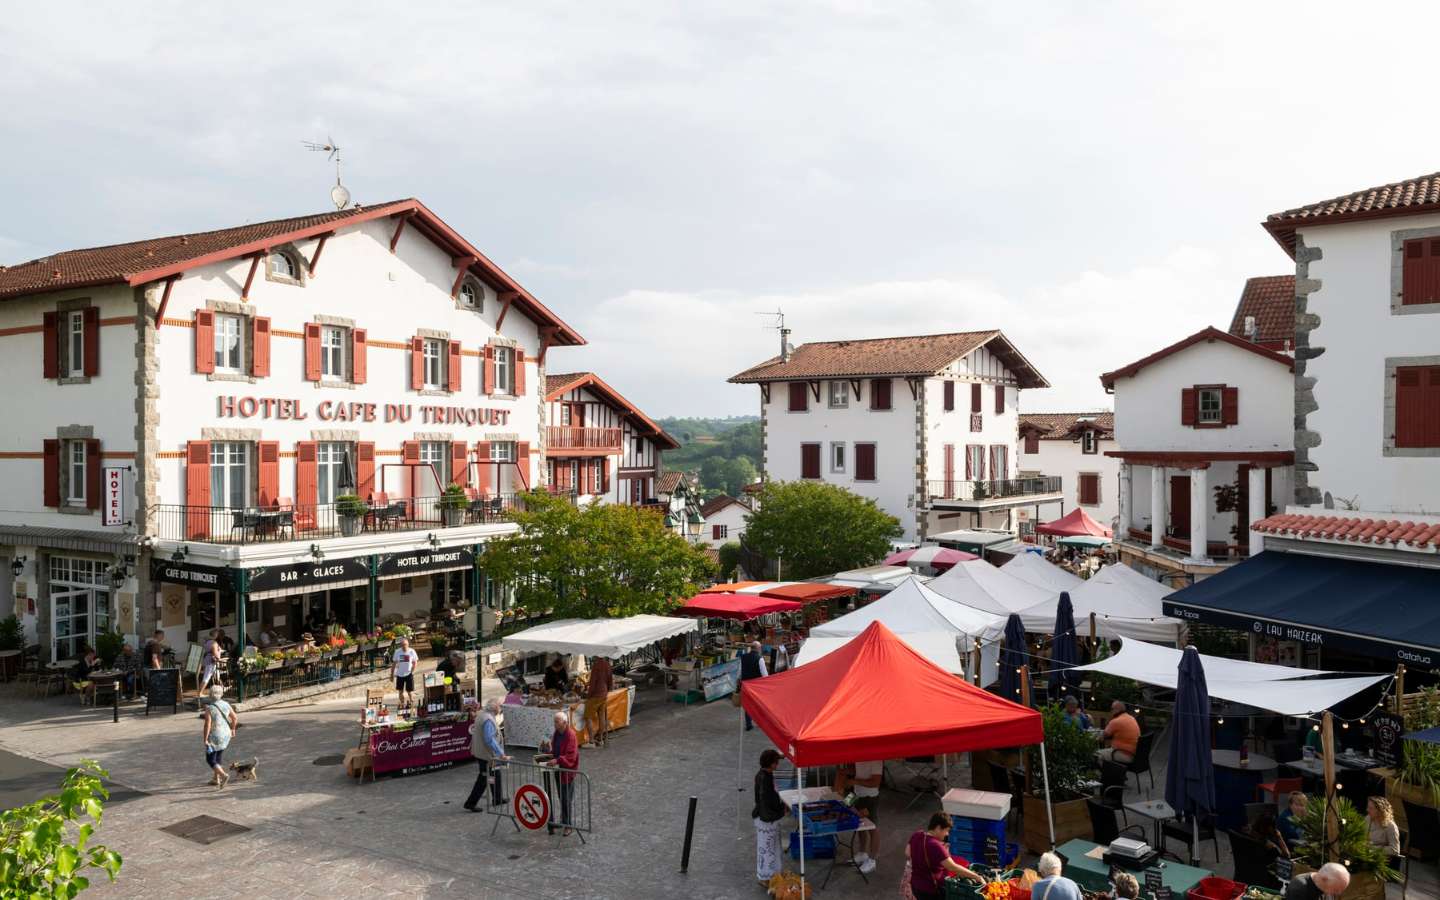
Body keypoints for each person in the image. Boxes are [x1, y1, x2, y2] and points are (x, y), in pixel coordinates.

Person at [907, 812, 984, 899]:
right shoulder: (936, 846)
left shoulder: (917, 835)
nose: (947, 834)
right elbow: (953, 867)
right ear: (938, 828)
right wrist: (977, 877)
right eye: (946, 830)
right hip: (931, 891)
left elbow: (908, 852)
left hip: (916, 886)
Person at [835, 761, 883, 874]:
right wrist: (844, 771)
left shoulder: (876, 760)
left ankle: (872, 860)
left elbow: (876, 782)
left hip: (870, 797)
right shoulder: (858, 756)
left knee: (872, 827)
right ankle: (862, 853)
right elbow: (856, 770)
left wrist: (855, 781)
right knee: (859, 823)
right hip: (856, 794)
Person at [464, 698, 509, 811]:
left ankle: (497, 798)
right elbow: (489, 739)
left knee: (494, 774)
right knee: (484, 778)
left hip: (482, 752)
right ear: (495, 708)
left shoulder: (483, 714)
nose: (500, 708)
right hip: (487, 754)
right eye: (499, 706)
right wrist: (500, 753)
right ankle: (471, 803)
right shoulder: (488, 719)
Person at [541, 710, 580, 836]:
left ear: (564, 722)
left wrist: (557, 760)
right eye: (554, 722)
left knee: (566, 798)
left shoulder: (571, 735)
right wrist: (547, 751)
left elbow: (571, 756)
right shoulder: (557, 733)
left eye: (557, 722)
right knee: (561, 797)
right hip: (558, 769)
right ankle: (564, 820)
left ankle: (568, 825)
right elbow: (554, 749)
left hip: (567, 772)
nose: (555, 724)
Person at [752, 748, 787, 884]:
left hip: (767, 817)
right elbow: (767, 801)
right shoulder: (765, 779)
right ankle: (765, 878)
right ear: (771, 763)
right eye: (776, 762)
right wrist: (781, 811)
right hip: (767, 819)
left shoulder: (763, 774)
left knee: (772, 848)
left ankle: (774, 874)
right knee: (767, 850)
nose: (777, 764)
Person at [201, 684, 237, 788]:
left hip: (215, 736)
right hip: (226, 734)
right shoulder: (226, 704)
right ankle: (215, 779)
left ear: (210, 695)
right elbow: (235, 718)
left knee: (210, 759)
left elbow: (207, 725)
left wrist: (205, 739)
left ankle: (223, 775)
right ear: (221, 694)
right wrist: (233, 729)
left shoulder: (210, 708)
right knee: (218, 756)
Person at [738, 640, 768, 731]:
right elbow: (765, 675)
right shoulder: (760, 659)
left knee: (748, 705)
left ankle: (748, 724)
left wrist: (739, 681)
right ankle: (760, 722)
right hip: (756, 686)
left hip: (746, 684)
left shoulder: (743, 657)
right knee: (758, 704)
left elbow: (739, 671)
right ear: (758, 648)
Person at [584, 655, 613, 748]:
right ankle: (600, 739)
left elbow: (593, 683)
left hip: (596, 694)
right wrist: (608, 689)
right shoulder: (607, 664)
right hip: (604, 693)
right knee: (601, 716)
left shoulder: (596, 666)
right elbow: (610, 680)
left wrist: (588, 695)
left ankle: (591, 741)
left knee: (587, 716)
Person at [1098, 700, 1139, 764]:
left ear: (1116, 710)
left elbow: (1102, 737)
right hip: (1134, 754)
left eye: (1111, 709)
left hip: (1124, 753)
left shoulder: (1116, 721)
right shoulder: (1132, 718)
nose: (1110, 711)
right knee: (1107, 750)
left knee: (1097, 755)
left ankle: (1102, 770)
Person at [1284, 862, 1350, 899]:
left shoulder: (1326, 888)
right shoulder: (1299, 888)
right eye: (1336, 889)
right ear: (1324, 879)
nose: (1338, 893)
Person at [390, 637, 419, 710]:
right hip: (400, 674)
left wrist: (412, 670)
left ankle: (412, 705)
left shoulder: (412, 651)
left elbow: (415, 662)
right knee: (400, 691)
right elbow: (394, 664)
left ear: (408, 645)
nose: (404, 646)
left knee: (410, 692)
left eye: (405, 645)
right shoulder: (397, 652)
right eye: (402, 645)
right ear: (401, 645)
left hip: (409, 674)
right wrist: (392, 675)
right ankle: (402, 704)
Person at [197, 629, 223, 698]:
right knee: (206, 678)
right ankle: (200, 693)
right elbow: (216, 655)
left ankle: (217, 691)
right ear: (216, 635)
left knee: (211, 676)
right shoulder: (214, 643)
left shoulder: (207, 641)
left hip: (206, 660)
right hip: (210, 662)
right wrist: (219, 651)